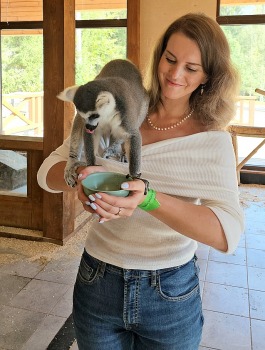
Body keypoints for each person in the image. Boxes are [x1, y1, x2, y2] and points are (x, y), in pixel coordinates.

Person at [37, 12, 244, 350]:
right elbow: (47, 172)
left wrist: (148, 199)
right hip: (97, 279)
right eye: (170, 59)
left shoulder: (212, 140)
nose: (175, 75)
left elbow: (226, 234)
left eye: (191, 68)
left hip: (169, 292)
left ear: (208, 75)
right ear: (159, 55)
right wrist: (79, 177)